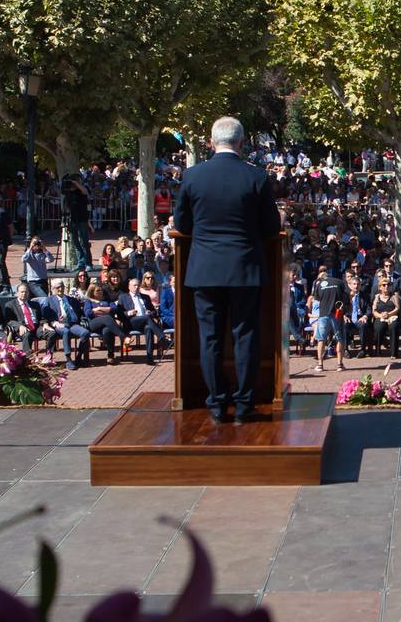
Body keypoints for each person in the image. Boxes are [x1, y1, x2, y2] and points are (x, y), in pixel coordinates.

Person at [172, 118, 281, 424]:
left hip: (205, 270)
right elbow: (271, 227)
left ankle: (217, 404)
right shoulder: (255, 176)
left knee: (210, 339)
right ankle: (245, 404)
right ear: (241, 142)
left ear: (210, 141)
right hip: (245, 268)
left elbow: (182, 225)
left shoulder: (193, 176)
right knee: (245, 336)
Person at [115, 277, 163, 364]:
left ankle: (149, 357)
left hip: (145, 322)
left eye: (138, 285)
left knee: (148, 328)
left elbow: (154, 312)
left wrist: (150, 313)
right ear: (129, 287)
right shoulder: (123, 297)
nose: (136, 287)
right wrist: (129, 313)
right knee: (147, 318)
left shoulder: (145, 297)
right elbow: (119, 314)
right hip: (131, 322)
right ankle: (161, 336)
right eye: (134, 285)